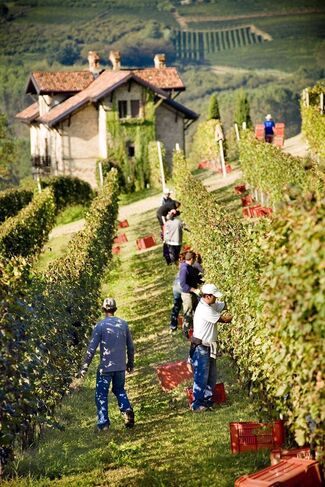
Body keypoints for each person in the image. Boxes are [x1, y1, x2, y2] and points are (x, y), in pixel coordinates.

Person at [80, 298, 135, 431]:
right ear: (115, 309)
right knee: (119, 389)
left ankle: (104, 423)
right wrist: (130, 363)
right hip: (120, 366)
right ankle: (127, 409)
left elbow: (91, 349)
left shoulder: (100, 326)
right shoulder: (123, 324)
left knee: (101, 394)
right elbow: (130, 346)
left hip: (105, 367)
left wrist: (84, 366)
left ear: (103, 309)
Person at [189, 283, 231, 412]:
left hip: (208, 347)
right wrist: (237, 316)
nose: (216, 299)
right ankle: (197, 404)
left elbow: (221, 305)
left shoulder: (209, 304)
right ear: (207, 296)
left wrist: (230, 302)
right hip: (201, 348)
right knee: (201, 376)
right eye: (214, 297)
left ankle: (207, 401)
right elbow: (224, 320)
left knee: (211, 375)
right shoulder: (205, 309)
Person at [179, 251, 201, 338]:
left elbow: (195, 278)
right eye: (195, 259)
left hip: (193, 294)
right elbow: (183, 284)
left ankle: (197, 330)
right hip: (187, 295)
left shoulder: (190, 267)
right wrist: (194, 290)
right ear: (191, 259)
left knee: (198, 311)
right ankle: (186, 332)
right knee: (188, 314)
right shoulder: (184, 269)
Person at [169, 252, 185, 332]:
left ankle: (173, 325)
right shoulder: (189, 264)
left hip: (175, 286)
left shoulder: (181, 265)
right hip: (182, 286)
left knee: (176, 305)